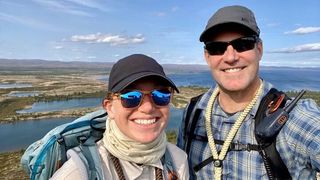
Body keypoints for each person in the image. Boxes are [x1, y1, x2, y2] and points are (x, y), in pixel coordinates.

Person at [177, 5, 320, 179]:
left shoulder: (292, 117)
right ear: (207, 56)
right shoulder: (193, 113)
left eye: (243, 44)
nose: (230, 57)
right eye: (217, 48)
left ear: (259, 49)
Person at [51, 54, 189, 179]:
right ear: (110, 108)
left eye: (161, 95)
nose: (147, 108)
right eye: (131, 97)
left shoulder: (178, 161)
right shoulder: (78, 173)